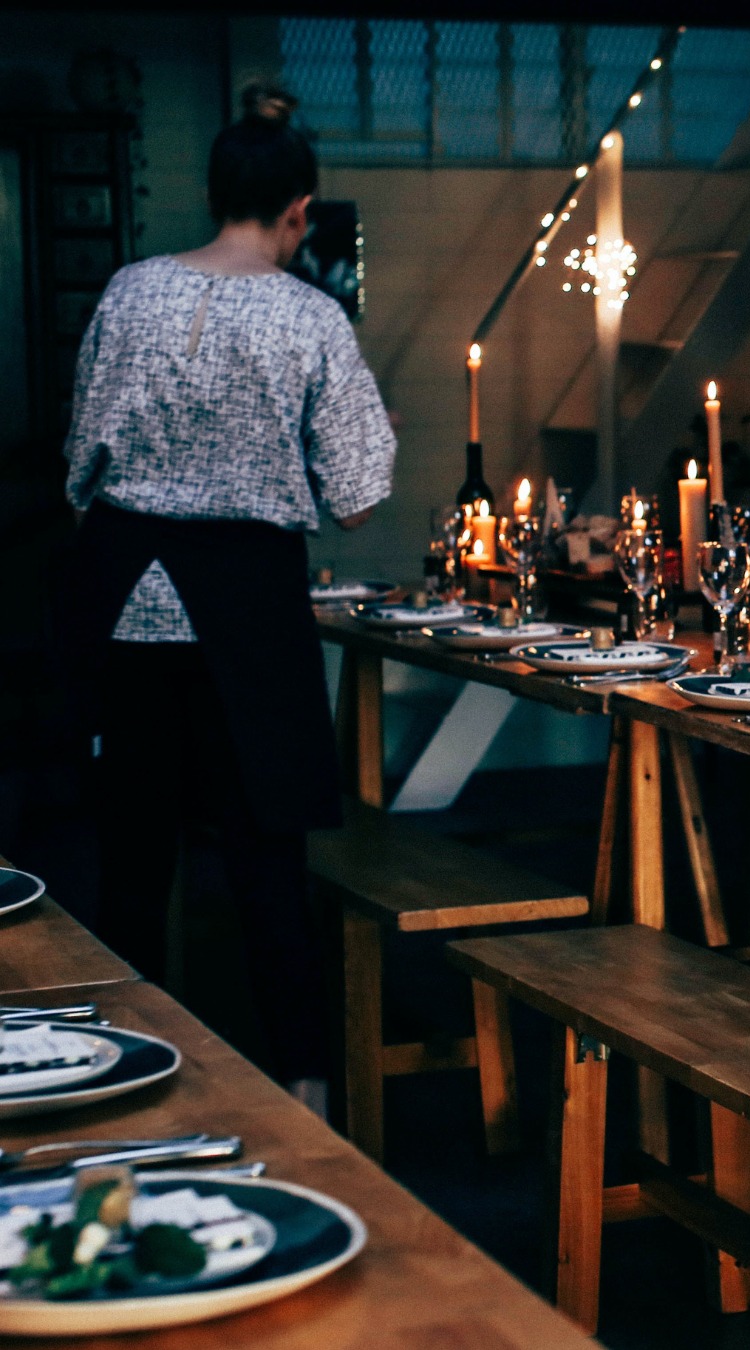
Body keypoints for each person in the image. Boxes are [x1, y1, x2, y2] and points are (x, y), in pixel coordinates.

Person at [63, 85, 396, 1109]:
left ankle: (108, 1089)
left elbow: (80, 465)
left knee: (130, 865)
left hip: (124, 599)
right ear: (300, 211)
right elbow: (358, 493)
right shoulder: (310, 315)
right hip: (248, 610)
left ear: (214, 196)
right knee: (266, 864)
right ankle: (305, 1092)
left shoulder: (128, 291)